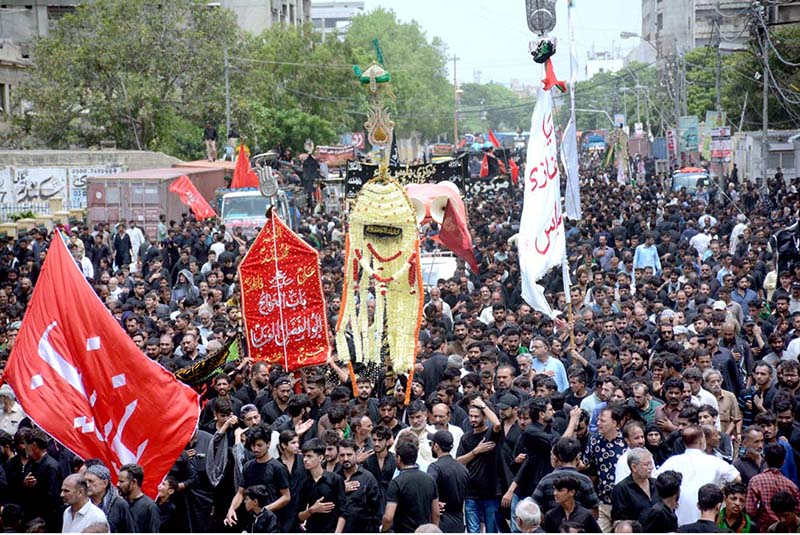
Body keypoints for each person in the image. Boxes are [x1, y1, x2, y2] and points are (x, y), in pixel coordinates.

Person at [654, 425, 740, 526]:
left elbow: (655, 480)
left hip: (680, 517)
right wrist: (720, 491)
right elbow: (737, 479)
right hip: (705, 519)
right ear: (701, 440)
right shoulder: (714, 461)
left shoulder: (672, 461)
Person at [456, 395, 502, 533]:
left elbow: (498, 424)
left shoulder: (490, 434)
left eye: (476, 416)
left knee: (491, 530)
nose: (473, 419)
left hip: (490, 492)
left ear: (484, 417)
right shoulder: (466, 437)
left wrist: (483, 405)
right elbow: (458, 461)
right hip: (471, 493)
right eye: (471, 416)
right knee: (472, 531)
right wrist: (476, 451)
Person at [382, 437, 439, 533]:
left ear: (399, 458)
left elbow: (388, 517)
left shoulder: (396, 482)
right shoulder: (430, 480)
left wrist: (383, 530)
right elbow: (436, 513)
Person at [745, 442, 800, 531]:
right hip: (787, 529)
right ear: (783, 462)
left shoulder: (756, 481)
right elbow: (797, 510)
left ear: (765, 459)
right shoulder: (791, 485)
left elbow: (750, 511)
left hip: (763, 528)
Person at [296, 438, 346, 533]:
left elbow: (343, 511)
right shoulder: (304, 484)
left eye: (309, 456)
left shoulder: (335, 479)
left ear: (320, 458)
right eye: (304, 456)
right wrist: (311, 510)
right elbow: (299, 516)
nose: (305, 460)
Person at [426, 430, 469, 533]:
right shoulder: (463, 469)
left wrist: (434, 502)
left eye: (430, 444)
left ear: (436, 446)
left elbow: (426, 488)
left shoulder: (435, 467)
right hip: (459, 524)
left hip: (440, 523)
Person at [335, 439, 381, 533]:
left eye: (349, 454)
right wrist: (340, 490)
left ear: (356, 454)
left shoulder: (368, 478)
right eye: (342, 455)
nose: (346, 459)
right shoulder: (334, 478)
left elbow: (376, 509)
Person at [83, 462, 135, 533]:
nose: (87, 485)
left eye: (91, 481)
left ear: (105, 483)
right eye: (85, 481)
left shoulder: (120, 505)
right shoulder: (83, 503)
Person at [611, 447, 658, 524]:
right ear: (634, 467)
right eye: (646, 464)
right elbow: (619, 520)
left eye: (651, 463)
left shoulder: (657, 484)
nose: (651, 467)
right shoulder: (621, 489)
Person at [117, 463, 160, 533]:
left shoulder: (150, 507)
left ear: (133, 482)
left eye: (121, 482)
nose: (118, 484)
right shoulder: (120, 504)